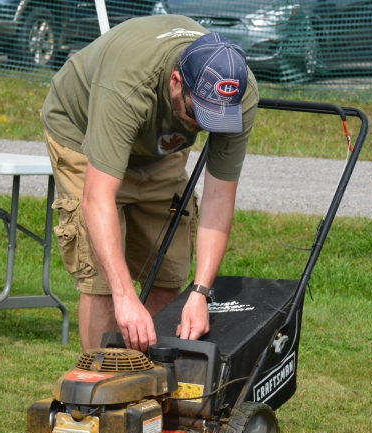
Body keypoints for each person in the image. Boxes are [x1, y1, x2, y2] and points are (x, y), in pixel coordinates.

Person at [41, 14, 258, 352]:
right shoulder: (128, 84)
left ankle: (152, 386)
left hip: (159, 145)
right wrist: (125, 297)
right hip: (83, 133)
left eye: (216, 119)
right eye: (198, 115)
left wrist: (200, 293)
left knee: (169, 279)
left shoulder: (237, 96)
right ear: (175, 81)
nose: (205, 128)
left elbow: (218, 198)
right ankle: (102, 388)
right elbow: (98, 199)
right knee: (103, 285)